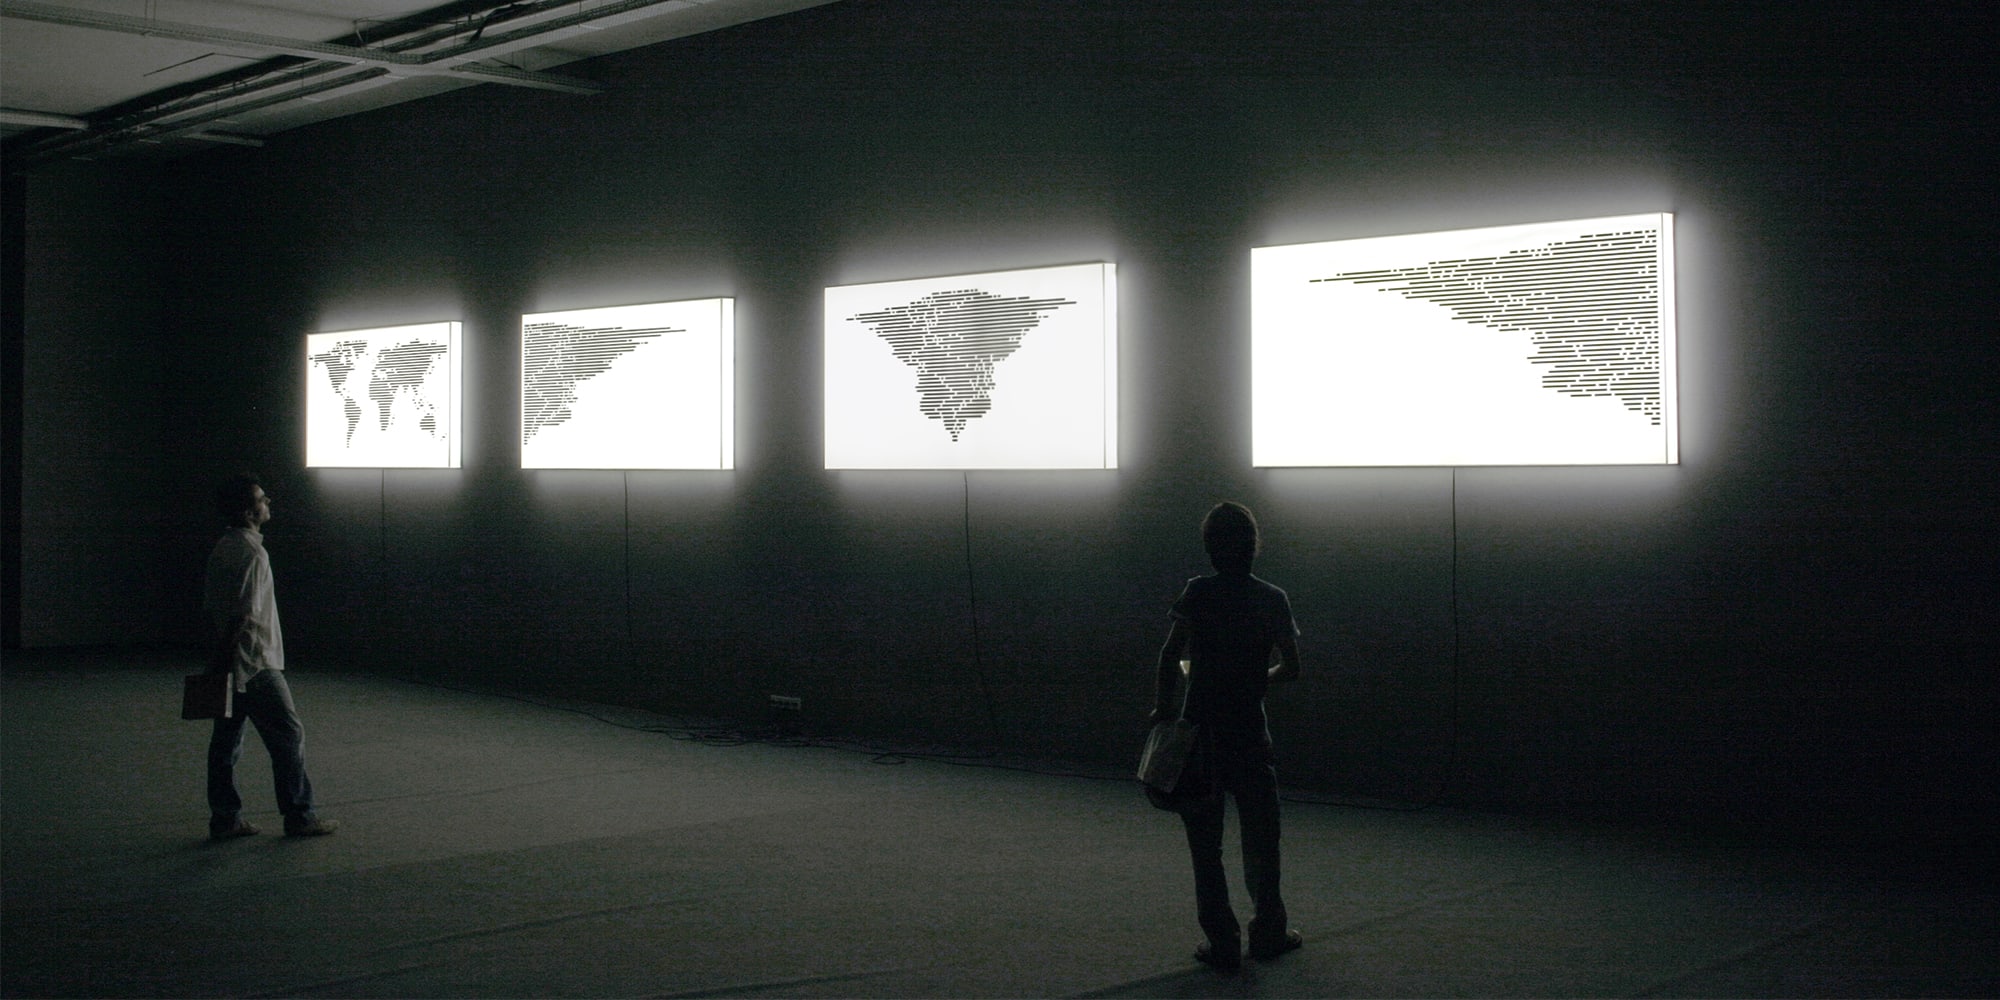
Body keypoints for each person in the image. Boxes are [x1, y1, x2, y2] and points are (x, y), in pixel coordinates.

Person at [1152, 501, 1302, 970]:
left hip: (1200, 737)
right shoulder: (1272, 598)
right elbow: (1292, 669)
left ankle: (1222, 942)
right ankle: (1268, 933)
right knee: (1262, 837)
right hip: (1248, 734)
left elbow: (1168, 657)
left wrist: (1163, 709)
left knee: (1205, 845)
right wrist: (1255, 679)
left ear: (1210, 548)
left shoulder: (1198, 594)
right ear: (1254, 547)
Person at [202, 473, 337, 840]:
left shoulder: (223, 548)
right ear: (249, 511)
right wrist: (233, 664)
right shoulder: (254, 554)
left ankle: (225, 819)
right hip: (256, 665)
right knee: (289, 736)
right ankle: (299, 816)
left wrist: (218, 664)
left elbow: (216, 610)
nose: (268, 503)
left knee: (225, 746)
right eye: (262, 499)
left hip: (233, 664)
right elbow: (243, 617)